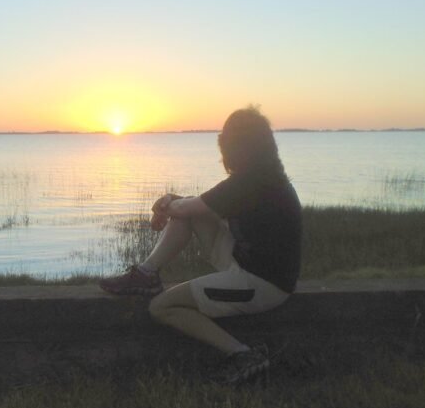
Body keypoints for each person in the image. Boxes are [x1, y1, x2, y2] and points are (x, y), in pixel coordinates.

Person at [99, 106, 302, 384]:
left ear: (234, 146)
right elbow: (197, 206)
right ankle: (147, 274)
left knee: (161, 307)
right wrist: (173, 202)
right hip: (250, 265)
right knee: (190, 212)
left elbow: (189, 206)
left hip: (262, 285)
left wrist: (168, 205)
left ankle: (243, 354)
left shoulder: (249, 182)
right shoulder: (262, 178)